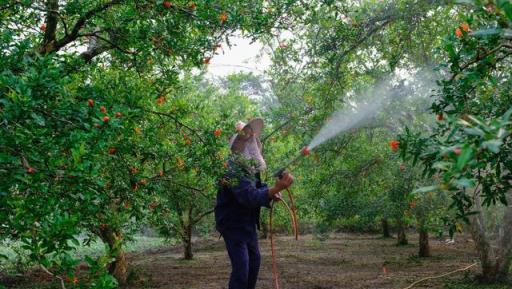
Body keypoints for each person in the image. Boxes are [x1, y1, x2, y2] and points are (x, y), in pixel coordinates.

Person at [215, 118, 294, 289]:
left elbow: (257, 187)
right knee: (242, 269)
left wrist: (272, 192)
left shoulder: (250, 167)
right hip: (232, 225)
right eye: (245, 138)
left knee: (254, 263)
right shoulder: (232, 169)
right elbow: (248, 197)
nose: (251, 142)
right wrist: (273, 190)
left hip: (247, 223)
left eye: (251, 137)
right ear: (236, 146)